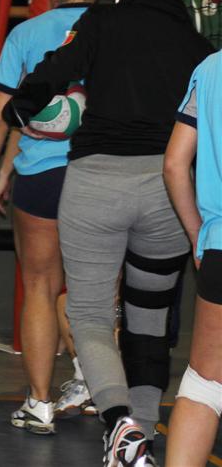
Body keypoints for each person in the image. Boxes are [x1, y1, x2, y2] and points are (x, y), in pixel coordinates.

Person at [1, 0, 214, 466]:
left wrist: (21, 111)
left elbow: (46, 76)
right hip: (167, 192)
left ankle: (120, 425)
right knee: (150, 318)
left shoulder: (101, 21)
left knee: (92, 314)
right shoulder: (200, 49)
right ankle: (141, 433)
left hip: (96, 184)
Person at [0, 0, 105, 434]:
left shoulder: (26, 34)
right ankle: (101, 392)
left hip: (43, 177)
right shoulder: (115, 29)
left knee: (39, 287)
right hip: (100, 175)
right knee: (96, 291)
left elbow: (0, 118)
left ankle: (40, 402)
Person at [162, 49, 222, 467]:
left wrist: (198, 234)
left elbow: (174, 164)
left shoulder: (211, 68)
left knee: (205, 384)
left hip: (219, 245)